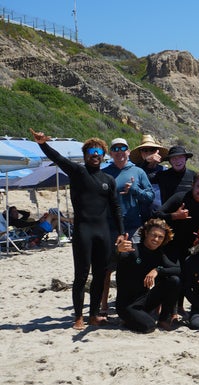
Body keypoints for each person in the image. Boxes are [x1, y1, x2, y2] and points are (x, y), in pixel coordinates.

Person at [30, 128, 124, 330]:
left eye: (99, 152)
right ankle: (79, 317)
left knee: (100, 275)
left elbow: (115, 207)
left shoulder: (109, 180)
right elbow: (58, 158)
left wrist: (122, 231)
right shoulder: (78, 172)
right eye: (91, 152)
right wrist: (42, 143)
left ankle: (94, 315)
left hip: (103, 233)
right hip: (84, 231)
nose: (95, 155)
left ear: (103, 155)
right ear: (85, 155)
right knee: (81, 275)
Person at [102, 137, 154, 314]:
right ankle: (103, 307)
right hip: (109, 228)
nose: (119, 151)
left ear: (128, 151)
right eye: (115, 148)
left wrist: (134, 190)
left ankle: (138, 303)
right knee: (107, 269)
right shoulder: (104, 172)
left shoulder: (138, 172)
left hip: (134, 227)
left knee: (137, 265)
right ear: (111, 153)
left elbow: (150, 197)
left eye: (122, 148)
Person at [155, 172, 199, 317]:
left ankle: (179, 308)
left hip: (191, 246)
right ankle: (158, 305)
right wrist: (174, 216)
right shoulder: (179, 198)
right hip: (171, 244)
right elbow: (156, 214)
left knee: (186, 277)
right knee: (168, 275)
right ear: (192, 185)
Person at [115, 219, 180, 333]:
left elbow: (178, 270)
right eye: (153, 235)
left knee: (174, 281)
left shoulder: (159, 254)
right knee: (149, 326)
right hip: (127, 305)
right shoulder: (132, 249)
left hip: (145, 300)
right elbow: (113, 261)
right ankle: (128, 319)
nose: (156, 239)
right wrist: (117, 251)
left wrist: (157, 270)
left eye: (160, 237)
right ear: (146, 233)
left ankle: (163, 319)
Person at [129, 134, 168, 222]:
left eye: (152, 150)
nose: (148, 152)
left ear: (156, 151)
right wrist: (147, 162)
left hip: (160, 217)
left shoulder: (164, 171)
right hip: (139, 217)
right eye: (145, 150)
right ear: (140, 153)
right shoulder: (135, 170)